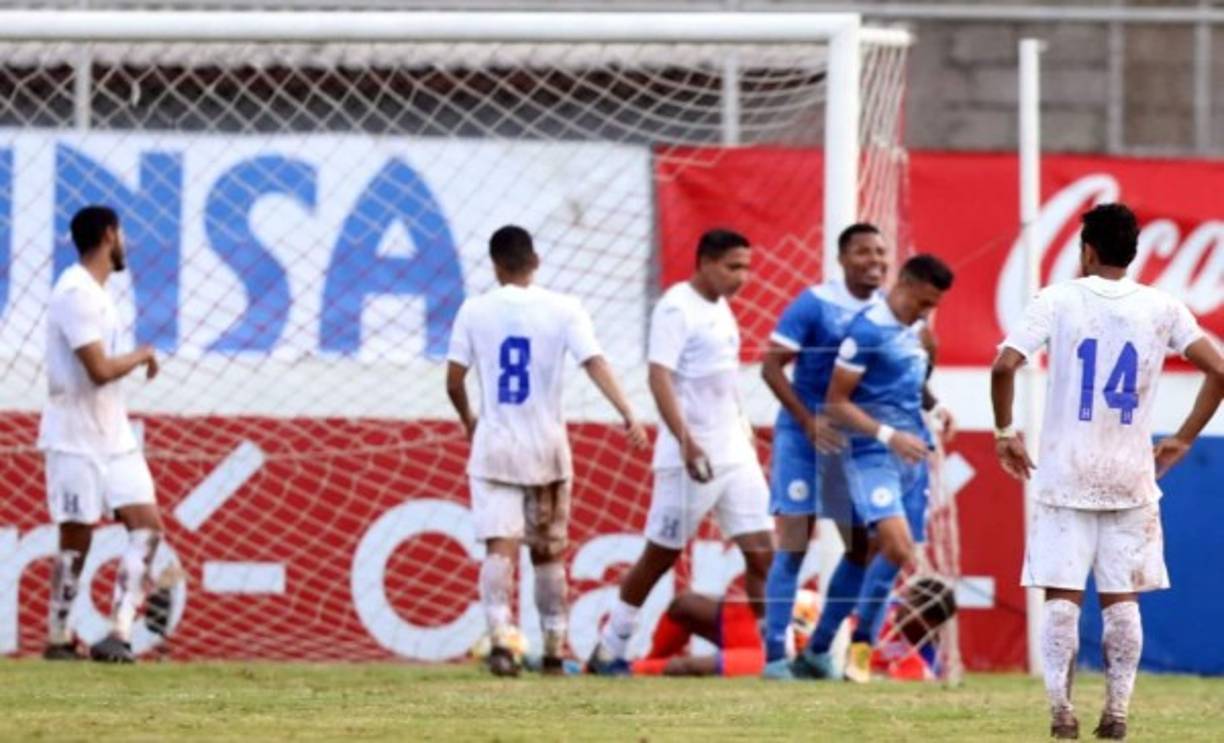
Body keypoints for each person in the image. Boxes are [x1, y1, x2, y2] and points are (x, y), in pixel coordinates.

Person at [990, 203, 1224, 740]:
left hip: (1066, 473)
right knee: (1122, 603)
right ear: (1134, 252)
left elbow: (1005, 365)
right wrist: (1183, 438)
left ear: (1087, 250)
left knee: (1062, 600)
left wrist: (1005, 431)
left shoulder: (1057, 299)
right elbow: (1218, 370)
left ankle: (1061, 714)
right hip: (1130, 475)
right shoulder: (1163, 306)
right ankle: (1117, 713)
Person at [446, 225, 647, 677]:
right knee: (548, 553)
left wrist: (468, 422)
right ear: (535, 262)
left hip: (496, 446)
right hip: (548, 448)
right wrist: (628, 411)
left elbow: (454, 380)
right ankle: (555, 649)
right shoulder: (564, 308)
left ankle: (502, 642)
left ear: (495, 265)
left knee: (500, 548)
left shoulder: (474, 311)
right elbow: (594, 361)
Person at [588, 228, 773, 675]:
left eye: (746, 267)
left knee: (764, 551)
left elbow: (722, 382)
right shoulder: (675, 308)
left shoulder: (722, 309)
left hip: (734, 453)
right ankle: (610, 649)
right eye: (733, 267)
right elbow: (659, 378)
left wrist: (744, 428)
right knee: (661, 555)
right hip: (691, 457)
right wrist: (688, 442)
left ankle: (775, 652)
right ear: (705, 262)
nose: (742, 277)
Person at [796, 254, 954, 683]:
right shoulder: (864, 332)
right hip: (869, 455)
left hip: (911, 457)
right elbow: (836, 401)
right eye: (921, 302)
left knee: (869, 554)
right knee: (899, 549)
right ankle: (860, 654)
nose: (925, 312)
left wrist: (936, 407)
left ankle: (816, 651)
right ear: (902, 282)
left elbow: (912, 384)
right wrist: (888, 436)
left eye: (931, 306)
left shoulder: (918, 332)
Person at [39, 205, 169, 663]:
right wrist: (142, 355)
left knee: (148, 528)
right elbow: (96, 369)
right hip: (74, 437)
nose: (125, 244)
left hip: (114, 436)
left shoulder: (97, 293)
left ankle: (120, 631)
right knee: (77, 539)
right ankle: (58, 637)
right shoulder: (75, 291)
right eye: (122, 234)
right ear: (109, 234)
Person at [757, 223, 884, 677]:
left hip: (849, 444)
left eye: (881, 253)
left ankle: (819, 648)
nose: (875, 261)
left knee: (860, 547)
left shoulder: (887, 313)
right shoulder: (815, 304)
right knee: (793, 542)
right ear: (843, 258)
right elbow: (770, 366)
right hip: (801, 435)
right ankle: (774, 656)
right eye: (864, 252)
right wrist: (806, 420)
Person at [629, 590, 819, 678]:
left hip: (769, 656)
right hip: (762, 628)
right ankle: (649, 663)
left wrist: (632, 669)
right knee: (684, 605)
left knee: (689, 666)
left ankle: (633, 670)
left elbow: (689, 666)